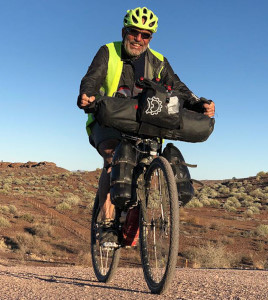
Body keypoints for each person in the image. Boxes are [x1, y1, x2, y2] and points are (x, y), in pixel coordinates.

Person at [77, 7, 215, 244]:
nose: (139, 39)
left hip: (144, 123)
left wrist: (198, 104)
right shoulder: (108, 52)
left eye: (145, 35)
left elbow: (178, 88)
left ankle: (138, 213)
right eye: (134, 33)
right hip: (107, 121)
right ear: (124, 31)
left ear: (151, 38)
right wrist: (87, 94)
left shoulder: (159, 61)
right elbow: (92, 77)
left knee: (150, 162)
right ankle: (108, 223)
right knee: (112, 159)